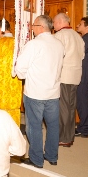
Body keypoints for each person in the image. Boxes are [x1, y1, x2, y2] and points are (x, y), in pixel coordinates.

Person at [15, 15, 64, 168]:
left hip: (35, 92)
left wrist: (25, 76)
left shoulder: (34, 44)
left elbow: (20, 68)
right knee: (53, 125)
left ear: (41, 27)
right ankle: (52, 156)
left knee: (34, 126)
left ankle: (36, 159)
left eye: (34, 26)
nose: (32, 29)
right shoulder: (59, 43)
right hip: (53, 92)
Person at [52, 13, 85, 147]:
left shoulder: (60, 35)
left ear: (60, 22)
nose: (53, 25)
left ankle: (63, 137)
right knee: (71, 107)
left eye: (54, 22)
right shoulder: (78, 36)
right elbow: (82, 56)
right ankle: (69, 136)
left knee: (63, 108)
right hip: (75, 75)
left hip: (64, 75)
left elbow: (55, 56)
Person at [0, 19, 23, 127]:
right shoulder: (19, 43)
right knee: (14, 111)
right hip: (15, 84)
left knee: (0, 112)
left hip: (1, 86)